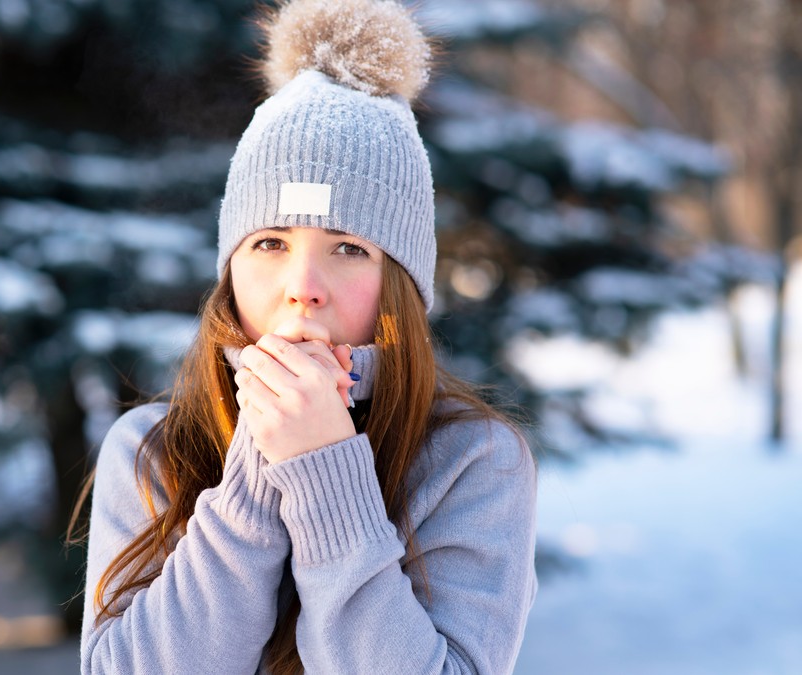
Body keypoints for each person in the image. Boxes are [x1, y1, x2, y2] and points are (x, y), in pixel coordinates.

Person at [75, 0, 538, 672]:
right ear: (230, 269)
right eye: (269, 242)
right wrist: (254, 477)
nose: (303, 285)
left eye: (348, 248)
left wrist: (325, 471)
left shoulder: (474, 459)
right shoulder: (151, 453)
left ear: (400, 283)